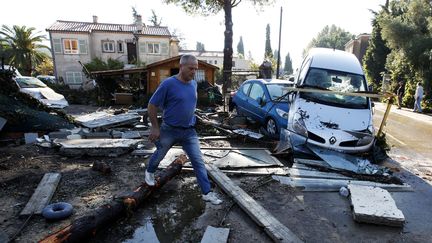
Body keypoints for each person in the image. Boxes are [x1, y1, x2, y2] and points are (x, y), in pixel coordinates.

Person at [145, 54, 222, 205]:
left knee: (198, 161)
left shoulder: (193, 84)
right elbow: (151, 105)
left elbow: (189, 104)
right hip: (169, 129)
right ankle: (149, 171)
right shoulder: (168, 84)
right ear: (181, 67)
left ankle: (206, 193)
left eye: (196, 69)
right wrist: (155, 127)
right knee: (159, 154)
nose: (194, 72)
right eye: (191, 68)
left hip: (188, 131)